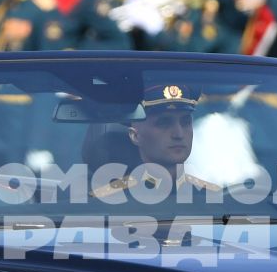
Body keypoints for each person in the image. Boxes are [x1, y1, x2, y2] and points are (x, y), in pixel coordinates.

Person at [90, 80, 222, 199]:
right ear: (135, 136)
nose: (178, 134)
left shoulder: (214, 197)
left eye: (185, 122)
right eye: (164, 123)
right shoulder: (105, 201)